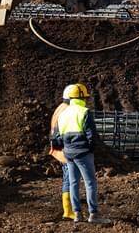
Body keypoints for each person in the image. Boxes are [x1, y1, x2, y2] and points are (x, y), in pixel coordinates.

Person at [51, 83, 110, 225]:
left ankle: (77, 214)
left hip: (68, 153)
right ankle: (93, 214)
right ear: (83, 97)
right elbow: (92, 135)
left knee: (73, 183)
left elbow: (56, 137)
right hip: (83, 153)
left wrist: (66, 147)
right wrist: (90, 149)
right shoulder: (84, 112)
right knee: (90, 183)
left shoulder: (63, 113)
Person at [49, 87, 74, 221]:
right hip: (64, 151)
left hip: (60, 150)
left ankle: (68, 209)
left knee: (68, 178)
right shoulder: (66, 110)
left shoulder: (61, 107)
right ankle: (68, 211)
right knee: (69, 179)